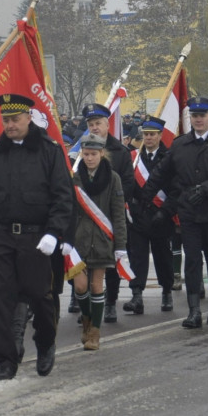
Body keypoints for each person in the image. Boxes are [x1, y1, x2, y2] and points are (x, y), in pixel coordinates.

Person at [0, 94, 74, 380]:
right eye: (6, 120)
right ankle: (6, 361)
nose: (10, 125)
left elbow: (63, 196)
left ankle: (45, 342)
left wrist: (54, 232)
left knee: (40, 295)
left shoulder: (49, 151)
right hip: (0, 236)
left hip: (35, 237)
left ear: (28, 118)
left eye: (15, 119)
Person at [140, 96, 208, 329]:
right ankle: (194, 311)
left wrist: (206, 190)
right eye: (194, 116)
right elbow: (162, 172)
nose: (198, 119)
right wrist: (144, 197)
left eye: (202, 115)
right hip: (189, 212)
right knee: (192, 261)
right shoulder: (180, 144)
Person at [70, 133, 127, 350]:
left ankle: (94, 331)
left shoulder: (113, 178)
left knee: (96, 285)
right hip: (79, 241)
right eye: (86, 154)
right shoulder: (75, 177)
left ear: (102, 153)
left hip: (103, 239)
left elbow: (118, 214)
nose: (89, 158)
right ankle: (86, 319)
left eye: (93, 154)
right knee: (80, 285)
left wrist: (120, 245)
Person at [80, 102, 135, 324]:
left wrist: (114, 200)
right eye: (91, 124)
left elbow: (128, 183)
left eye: (98, 123)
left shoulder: (120, 152)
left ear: (107, 124)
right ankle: (83, 303)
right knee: (83, 263)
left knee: (109, 265)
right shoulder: (80, 151)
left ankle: (111, 302)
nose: (94, 127)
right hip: (85, 217)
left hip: (109, 216)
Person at [124, 116, 176, 315]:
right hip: (139, 215)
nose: (149, 138)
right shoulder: (134, 157)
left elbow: (175, 189)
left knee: (163, 256)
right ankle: (137, 295)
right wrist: (132, 206)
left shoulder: (169, 157)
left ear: (160, 136)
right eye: (146, 134)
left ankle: (167, 291)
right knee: (137, 256)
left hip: (161, 215)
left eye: (152, 134)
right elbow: (128, 184)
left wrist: (166, 211)